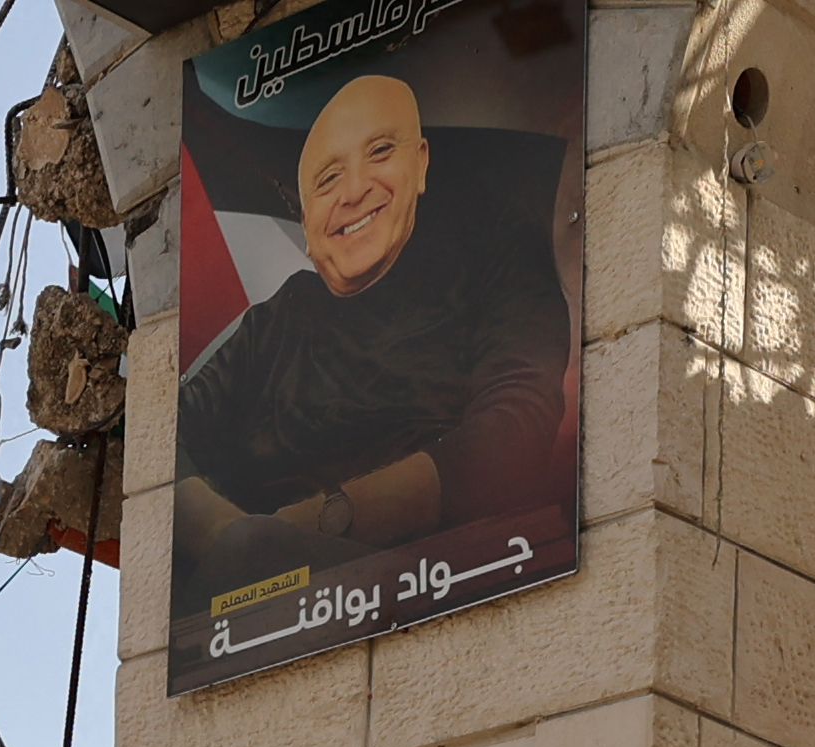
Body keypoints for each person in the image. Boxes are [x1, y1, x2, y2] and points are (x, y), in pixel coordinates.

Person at [177, 71, 577, 577]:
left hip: (435, 573)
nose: (354, 190)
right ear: (306, 225)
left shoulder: (494, 259)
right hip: (249, 603)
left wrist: (321, 522)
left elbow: (516, 426)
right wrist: (226, 536)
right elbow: (170, 440)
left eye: (381, 151)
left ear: (422, 163)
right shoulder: (277, 322)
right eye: (327, 180)